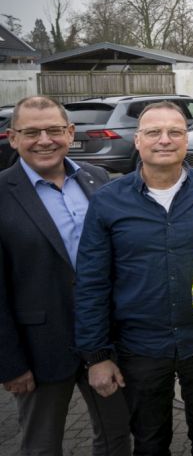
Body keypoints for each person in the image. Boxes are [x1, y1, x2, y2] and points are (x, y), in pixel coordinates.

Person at [74, 101, 193, 455]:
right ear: (137, 140)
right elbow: (91, 282)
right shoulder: (107, 202)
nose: (165, 140)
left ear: (186, 140)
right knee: (149, 441)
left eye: (175, 132)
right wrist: (97, 356)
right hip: (139, 346)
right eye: (153, 132)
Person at [0, 96, 131, 455]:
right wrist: (10, 363)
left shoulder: (98, 179)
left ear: (70, 133)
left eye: (54, 130)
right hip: (38, 351)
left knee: (116, 436)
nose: (44, 140)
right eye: (31, 132)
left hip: (104, 343)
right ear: (12, 138)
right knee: (41, 445)